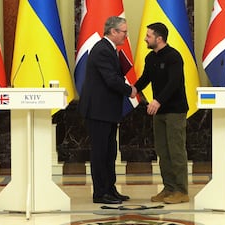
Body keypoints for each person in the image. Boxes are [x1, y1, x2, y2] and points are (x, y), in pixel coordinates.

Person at [77, 16, 137, 204]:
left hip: (107, 110)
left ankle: (110, 189)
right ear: (113, 32)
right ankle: (100, 193)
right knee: (100, 152)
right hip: (98, 111)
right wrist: (130, 90)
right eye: (124, 32)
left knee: (110, 152)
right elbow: (111, 79)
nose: (126, 36)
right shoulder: (102, 50)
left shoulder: (109, 49)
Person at [134, 22, 189, 204]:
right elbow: (145, 79)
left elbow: (173, 83)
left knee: (176, 151)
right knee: (163, 152)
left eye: (148, 36)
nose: (145, 39)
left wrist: (157, 100)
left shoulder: (174, 57)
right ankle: (169, 188)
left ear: (159, 38)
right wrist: (132, 89)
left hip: (175, 110)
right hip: (159, 112)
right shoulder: (150, 58)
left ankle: (181, 191)